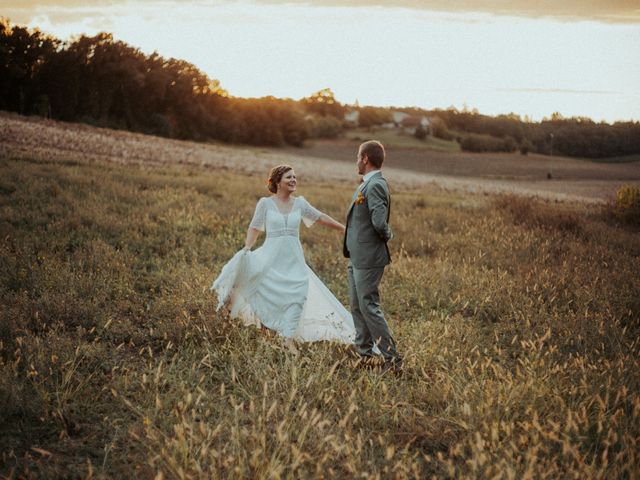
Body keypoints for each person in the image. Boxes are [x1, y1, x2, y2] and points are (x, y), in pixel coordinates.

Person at [211, 165, 356, 347]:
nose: (293, 180)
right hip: (270, 257)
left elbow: (321, 217)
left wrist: (345, 229)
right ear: (277, 181)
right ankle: (266, 331)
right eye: (289, 177)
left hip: (294, 260)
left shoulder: (300, 203)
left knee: (298, 294)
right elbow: (255, 226)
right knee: (266, 292)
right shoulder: (265, 204)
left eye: (295, 177)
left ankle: (288, 339)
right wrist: (247, 248)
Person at [343, 140, 402, 372]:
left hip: (368, 257)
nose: (356, 160)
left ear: (365, 158)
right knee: (357, 306)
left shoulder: (376, 184)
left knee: (369, 306)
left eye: (358, 156)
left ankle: (393, 359)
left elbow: (379, 222)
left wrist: (388, 235)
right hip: (357, 256)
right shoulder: (366, 183)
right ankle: (365, 355)